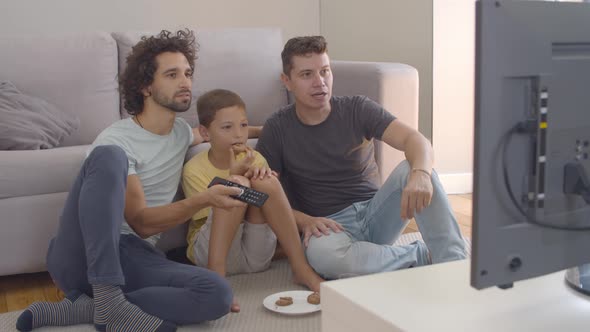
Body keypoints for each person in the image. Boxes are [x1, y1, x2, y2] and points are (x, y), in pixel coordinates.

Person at [16, 30, 245, 332]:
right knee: (108, 156)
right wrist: (204, 198)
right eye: (172, 74)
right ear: (146, 86)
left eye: (188, 73)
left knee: (217, 294)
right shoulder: (117, 139)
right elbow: (141, 222)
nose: (186, 82)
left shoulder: (180, 133)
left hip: (136, 257)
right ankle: (109, 299)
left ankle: (93, 308)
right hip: (87, 252)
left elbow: (232, 129)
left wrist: (277, 125)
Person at [256, 35, 467, 280]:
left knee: (416, 168)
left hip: (377, 212)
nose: (320, 82)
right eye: (307, 75)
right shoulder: (277, 128)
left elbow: (416, 140)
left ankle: (454, 266)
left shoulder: (357, 108)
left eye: (325, 71)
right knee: (324, 258)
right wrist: (304, 221)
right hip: (328, 226)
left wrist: (420, 175)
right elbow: (263, 195)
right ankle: (420, 256)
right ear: (287, 81)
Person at [182, 89, 325, 312]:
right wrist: (235, 177)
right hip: (213, 253)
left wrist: (260, 183)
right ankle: (216, 279)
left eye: (243, 125)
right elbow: (212, 215)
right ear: (205, 133)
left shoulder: (256, 157)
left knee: (266, 182)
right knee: (237, 184)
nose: (238, 134)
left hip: (254, 258)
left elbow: (264, 206)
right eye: (227, 127)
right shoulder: (194, 169)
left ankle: (300, 267)